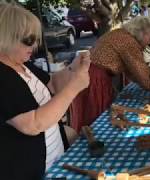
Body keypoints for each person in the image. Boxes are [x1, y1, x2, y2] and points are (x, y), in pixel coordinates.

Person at [0, 3, 91, 180]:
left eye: (35, 38)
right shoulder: (3, 76)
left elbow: (53, 83)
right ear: (6, 38)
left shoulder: (22, 64)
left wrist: (74, 67)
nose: (34, 45)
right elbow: (33, 124)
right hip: (28, 171)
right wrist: (74, 87)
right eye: (28, 40)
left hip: (53, 161)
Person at [70, 17, 150, 132]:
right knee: (97, 116)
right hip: (95, 78)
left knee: (90, 115)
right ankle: (96, 141)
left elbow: (134, 72)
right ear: (142, 32)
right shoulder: (129, 42)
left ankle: (91, 139)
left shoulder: (121, 34)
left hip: (89, 74)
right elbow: (143, 77)